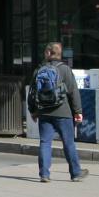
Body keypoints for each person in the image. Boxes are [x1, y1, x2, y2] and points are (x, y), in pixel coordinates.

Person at [30, 42, 86, 182]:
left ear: (49, 53)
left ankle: (44, 174)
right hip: (63, 113)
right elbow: (73, 92)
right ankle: (76, 173)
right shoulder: (65, 69)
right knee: (68, 143)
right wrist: (77, 111)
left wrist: (33, 111)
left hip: (44, 113)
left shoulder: (39, 70)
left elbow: (32, 92)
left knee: (45, 142)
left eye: (45, 52)